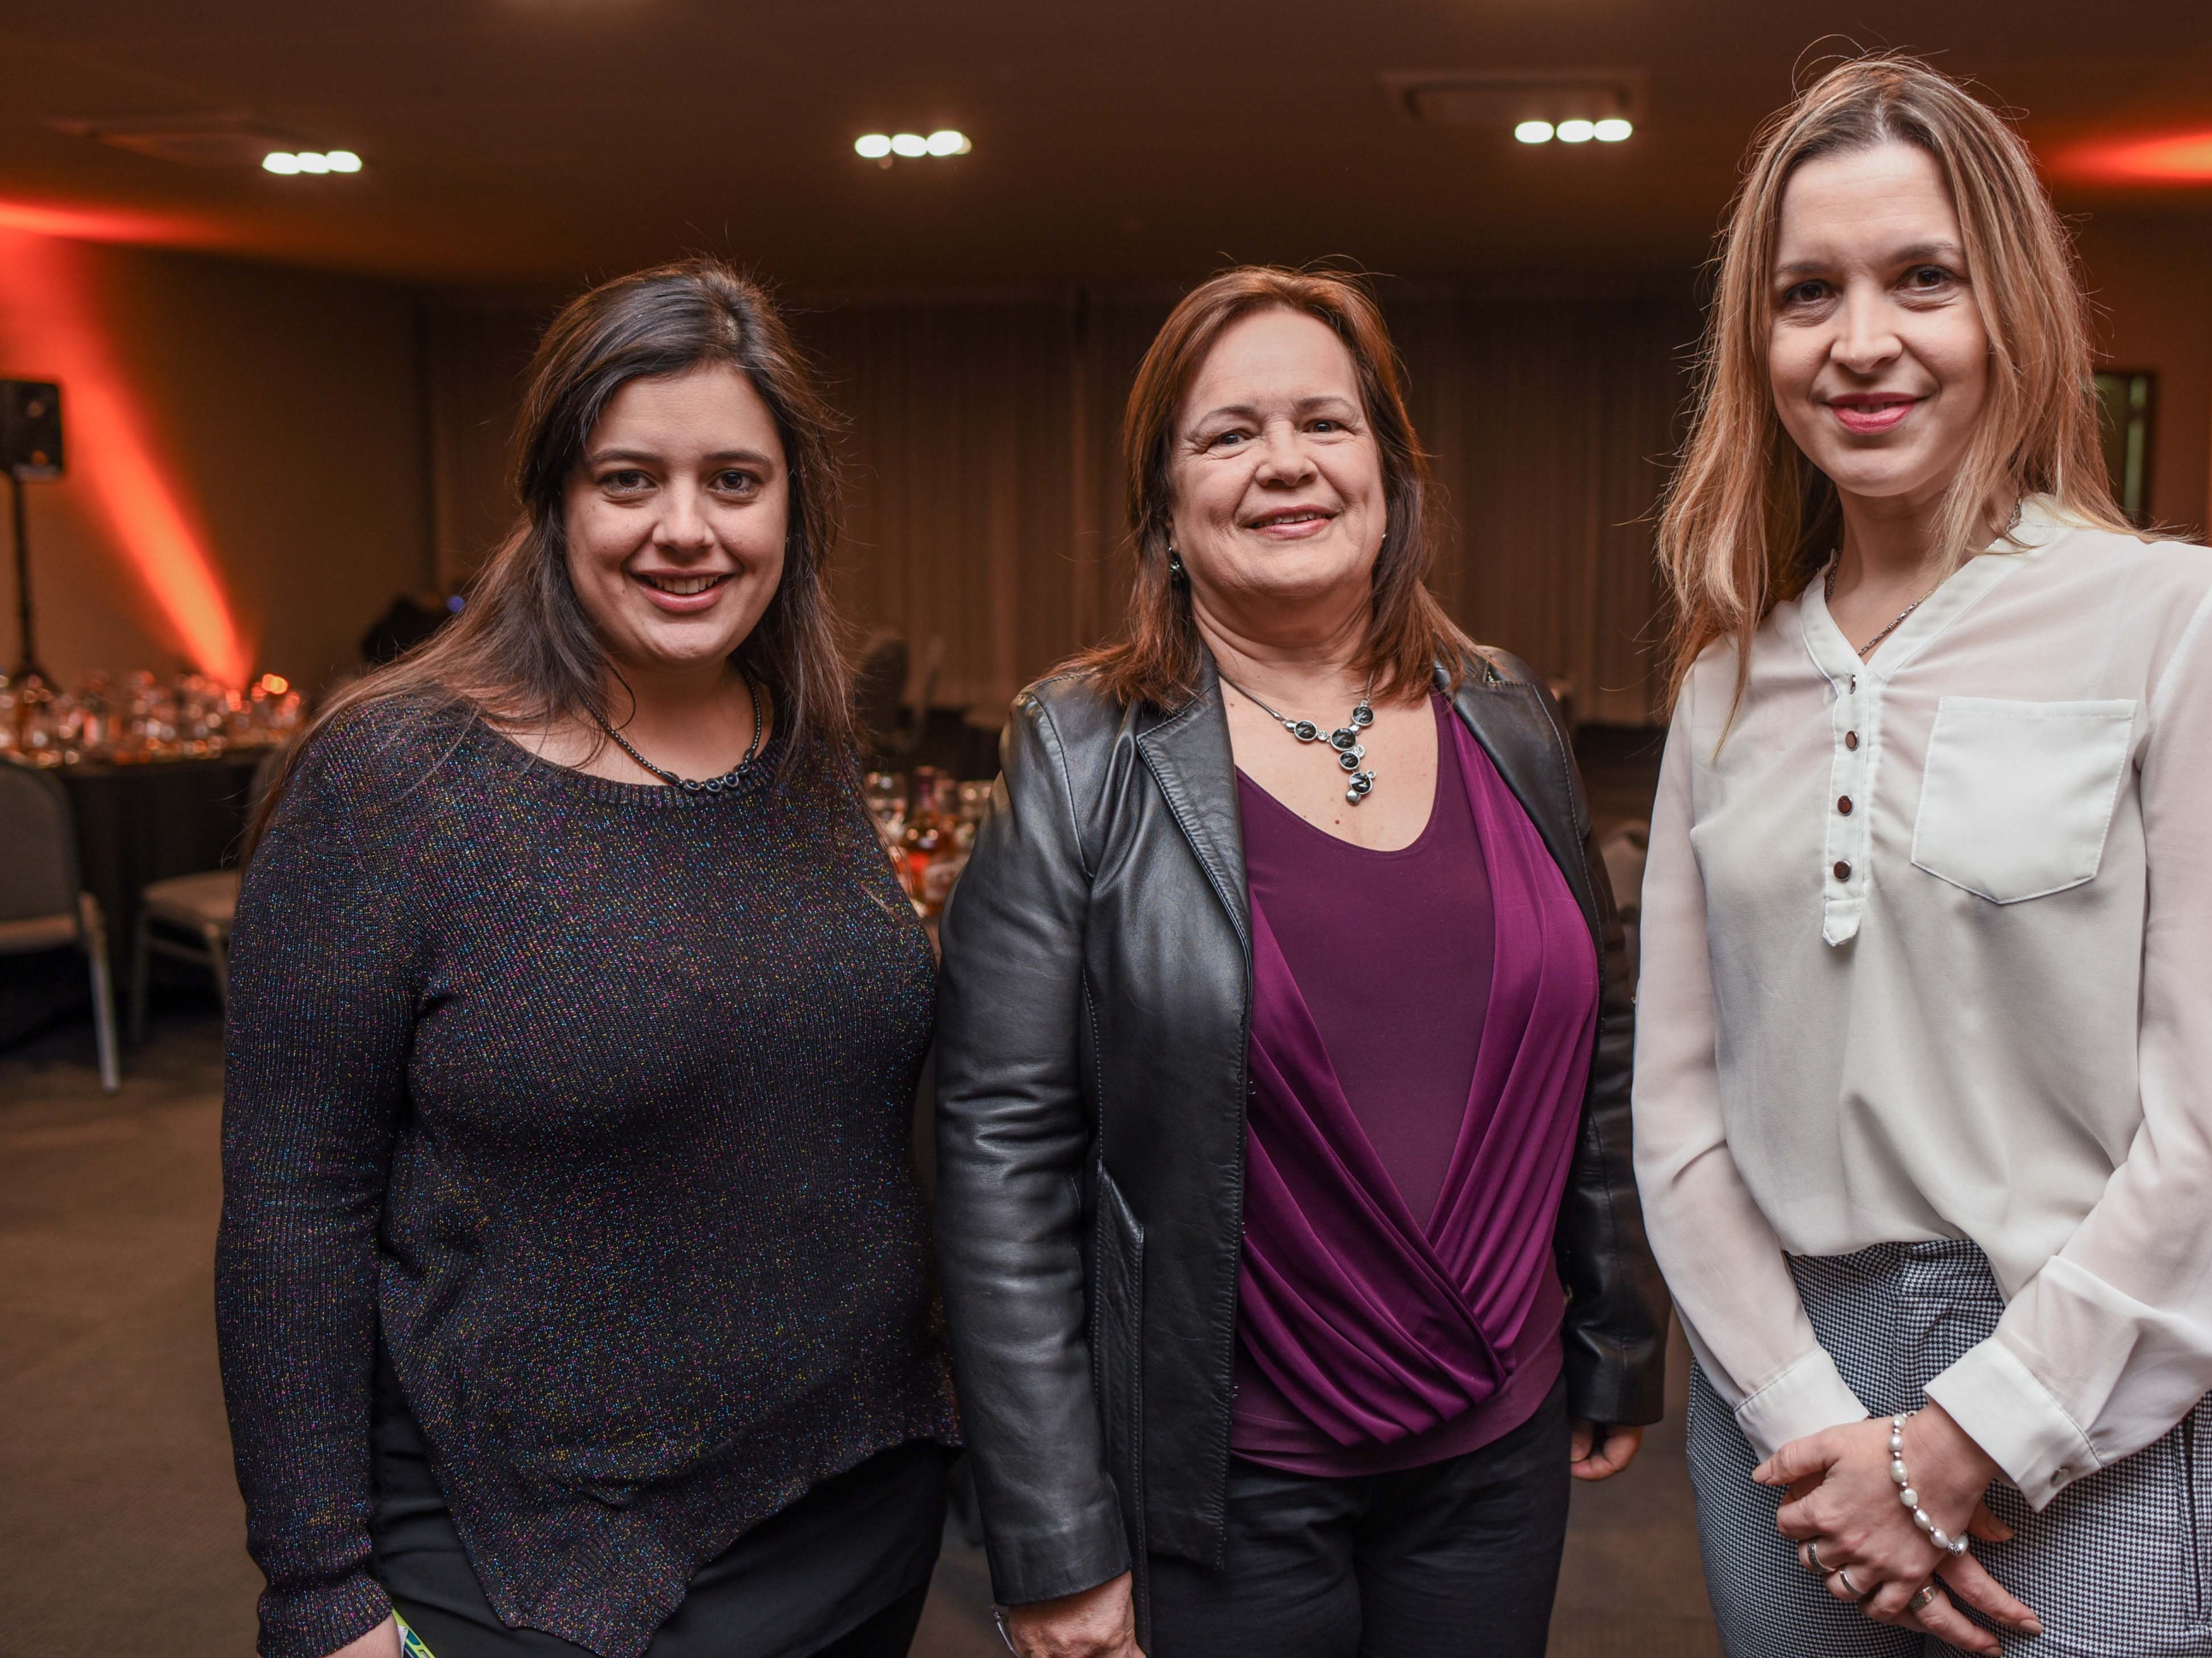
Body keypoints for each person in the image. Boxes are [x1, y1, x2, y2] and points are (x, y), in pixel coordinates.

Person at [1633, 56, 2212, 1658]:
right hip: (1784, 1411)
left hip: (2096, 1398)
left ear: (2011, 311)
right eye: (1807, 292)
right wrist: (1826, 1427)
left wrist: (1966, 1443)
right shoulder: (1726, 680)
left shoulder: (2183, 623)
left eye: (1923, 280)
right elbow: (1679, 1115)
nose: (1862, 341)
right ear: (1759, 346)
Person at [217, 260, 958, 1658]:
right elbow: (289, 1205)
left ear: (795, 505)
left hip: (855, 1495)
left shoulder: (800, 739)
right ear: (555, 498)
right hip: (535, 1558)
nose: (686, 530)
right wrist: (318, 1589)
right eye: (631, 479)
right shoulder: (396, 779)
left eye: (735, 480)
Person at [932, 265, 1668, 1658]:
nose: (1285, 463)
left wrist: (1616, 1334)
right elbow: (998, 1153)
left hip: (1496, 1457)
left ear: (1388, 468)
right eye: (1227, 435)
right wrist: (1048, 1530)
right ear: (1165, 503)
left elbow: (1601, 1046)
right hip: (1229, 1482)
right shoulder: (1082, 750)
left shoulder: (1505, 711)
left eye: (1325, 423)